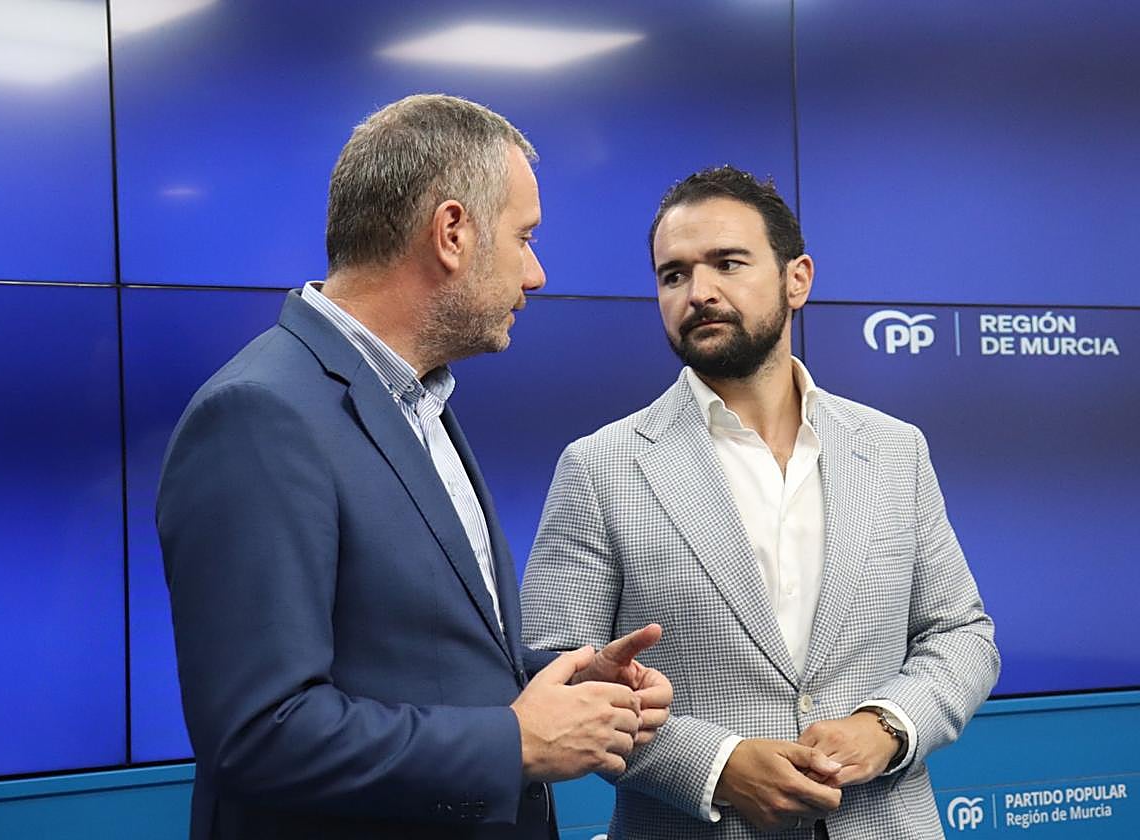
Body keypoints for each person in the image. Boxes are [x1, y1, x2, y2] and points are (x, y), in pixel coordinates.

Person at [156, 94, 672, 840]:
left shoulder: (416, 401)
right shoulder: (259, 415)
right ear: (453, 232)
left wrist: (555, 685)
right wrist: (518, 742)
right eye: (523, 238)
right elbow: (260, 733)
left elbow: (409, 656)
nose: (537, 274)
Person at [520, 166, 999, 839]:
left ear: (797, 279)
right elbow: (556, 676)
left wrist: (886, 726)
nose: (699, 292)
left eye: (727, 263)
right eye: (674, 274)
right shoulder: (601, 467)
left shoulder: (895, 450)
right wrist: (717, 766)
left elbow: (961, 634)